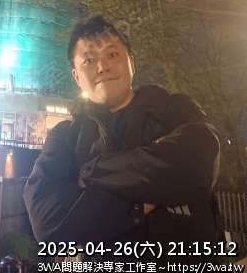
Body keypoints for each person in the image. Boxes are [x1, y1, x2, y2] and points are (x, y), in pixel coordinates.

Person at [24, 15, 221, 264]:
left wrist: (93, 171)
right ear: (76, 76)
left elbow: (199, 163)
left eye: (112, 54)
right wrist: (144, 201)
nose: (102, 66)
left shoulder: (175, 110)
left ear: (132, 63)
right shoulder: (65, 136)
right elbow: (47, 222)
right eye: (89, 59)